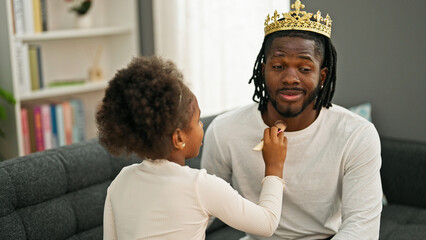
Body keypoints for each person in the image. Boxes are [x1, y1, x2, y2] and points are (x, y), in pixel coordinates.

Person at [201, 1, 382, 239]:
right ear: (263, 70)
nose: (290, 78)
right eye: (278, 66)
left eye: (305, 69)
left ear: (322, 76)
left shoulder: (356, 134)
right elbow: (204, 212)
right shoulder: (224, 131)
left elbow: (361, 227)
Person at [98, 56, 288, 239]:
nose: (202, 127)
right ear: (179, 137)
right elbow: (267, 224)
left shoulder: (121, 181)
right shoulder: (200, 186)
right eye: (197, 122)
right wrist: (274, 166)